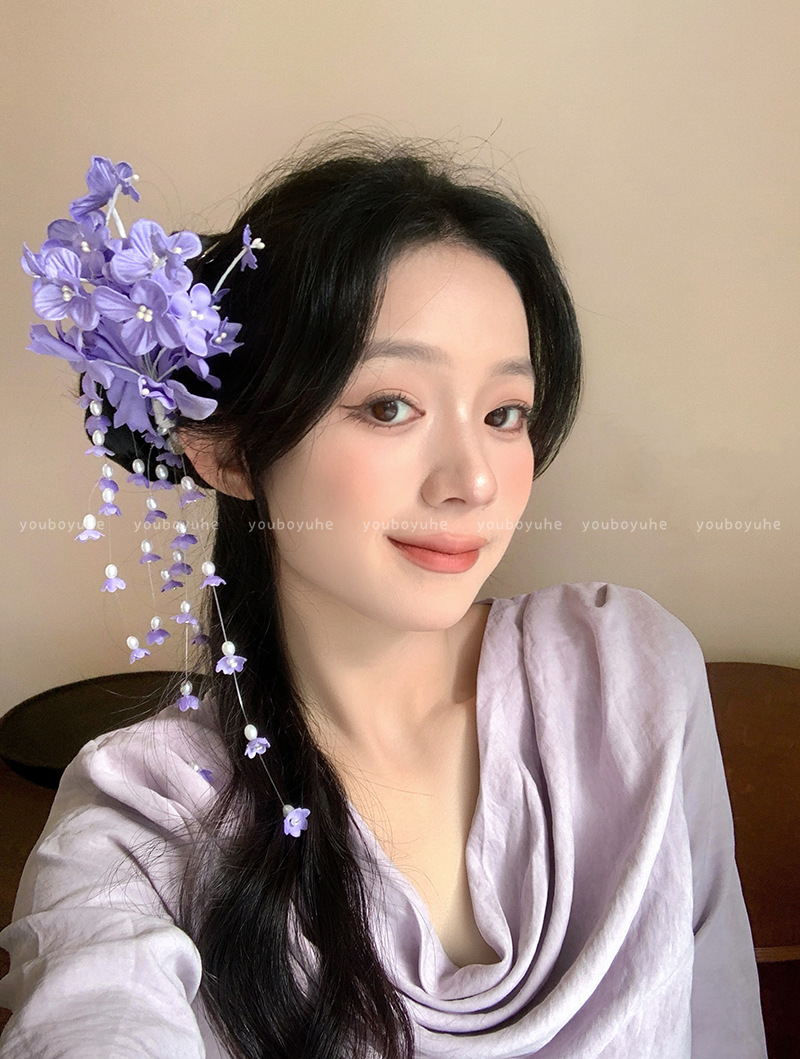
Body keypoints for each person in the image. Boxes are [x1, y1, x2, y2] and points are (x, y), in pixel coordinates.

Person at [0, 136, 767, 1058]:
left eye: (505, 414)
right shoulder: (145, 818)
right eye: (390, 406)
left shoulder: (631, 679)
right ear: (229, 450)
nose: (472, 481)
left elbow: (724, 1019)